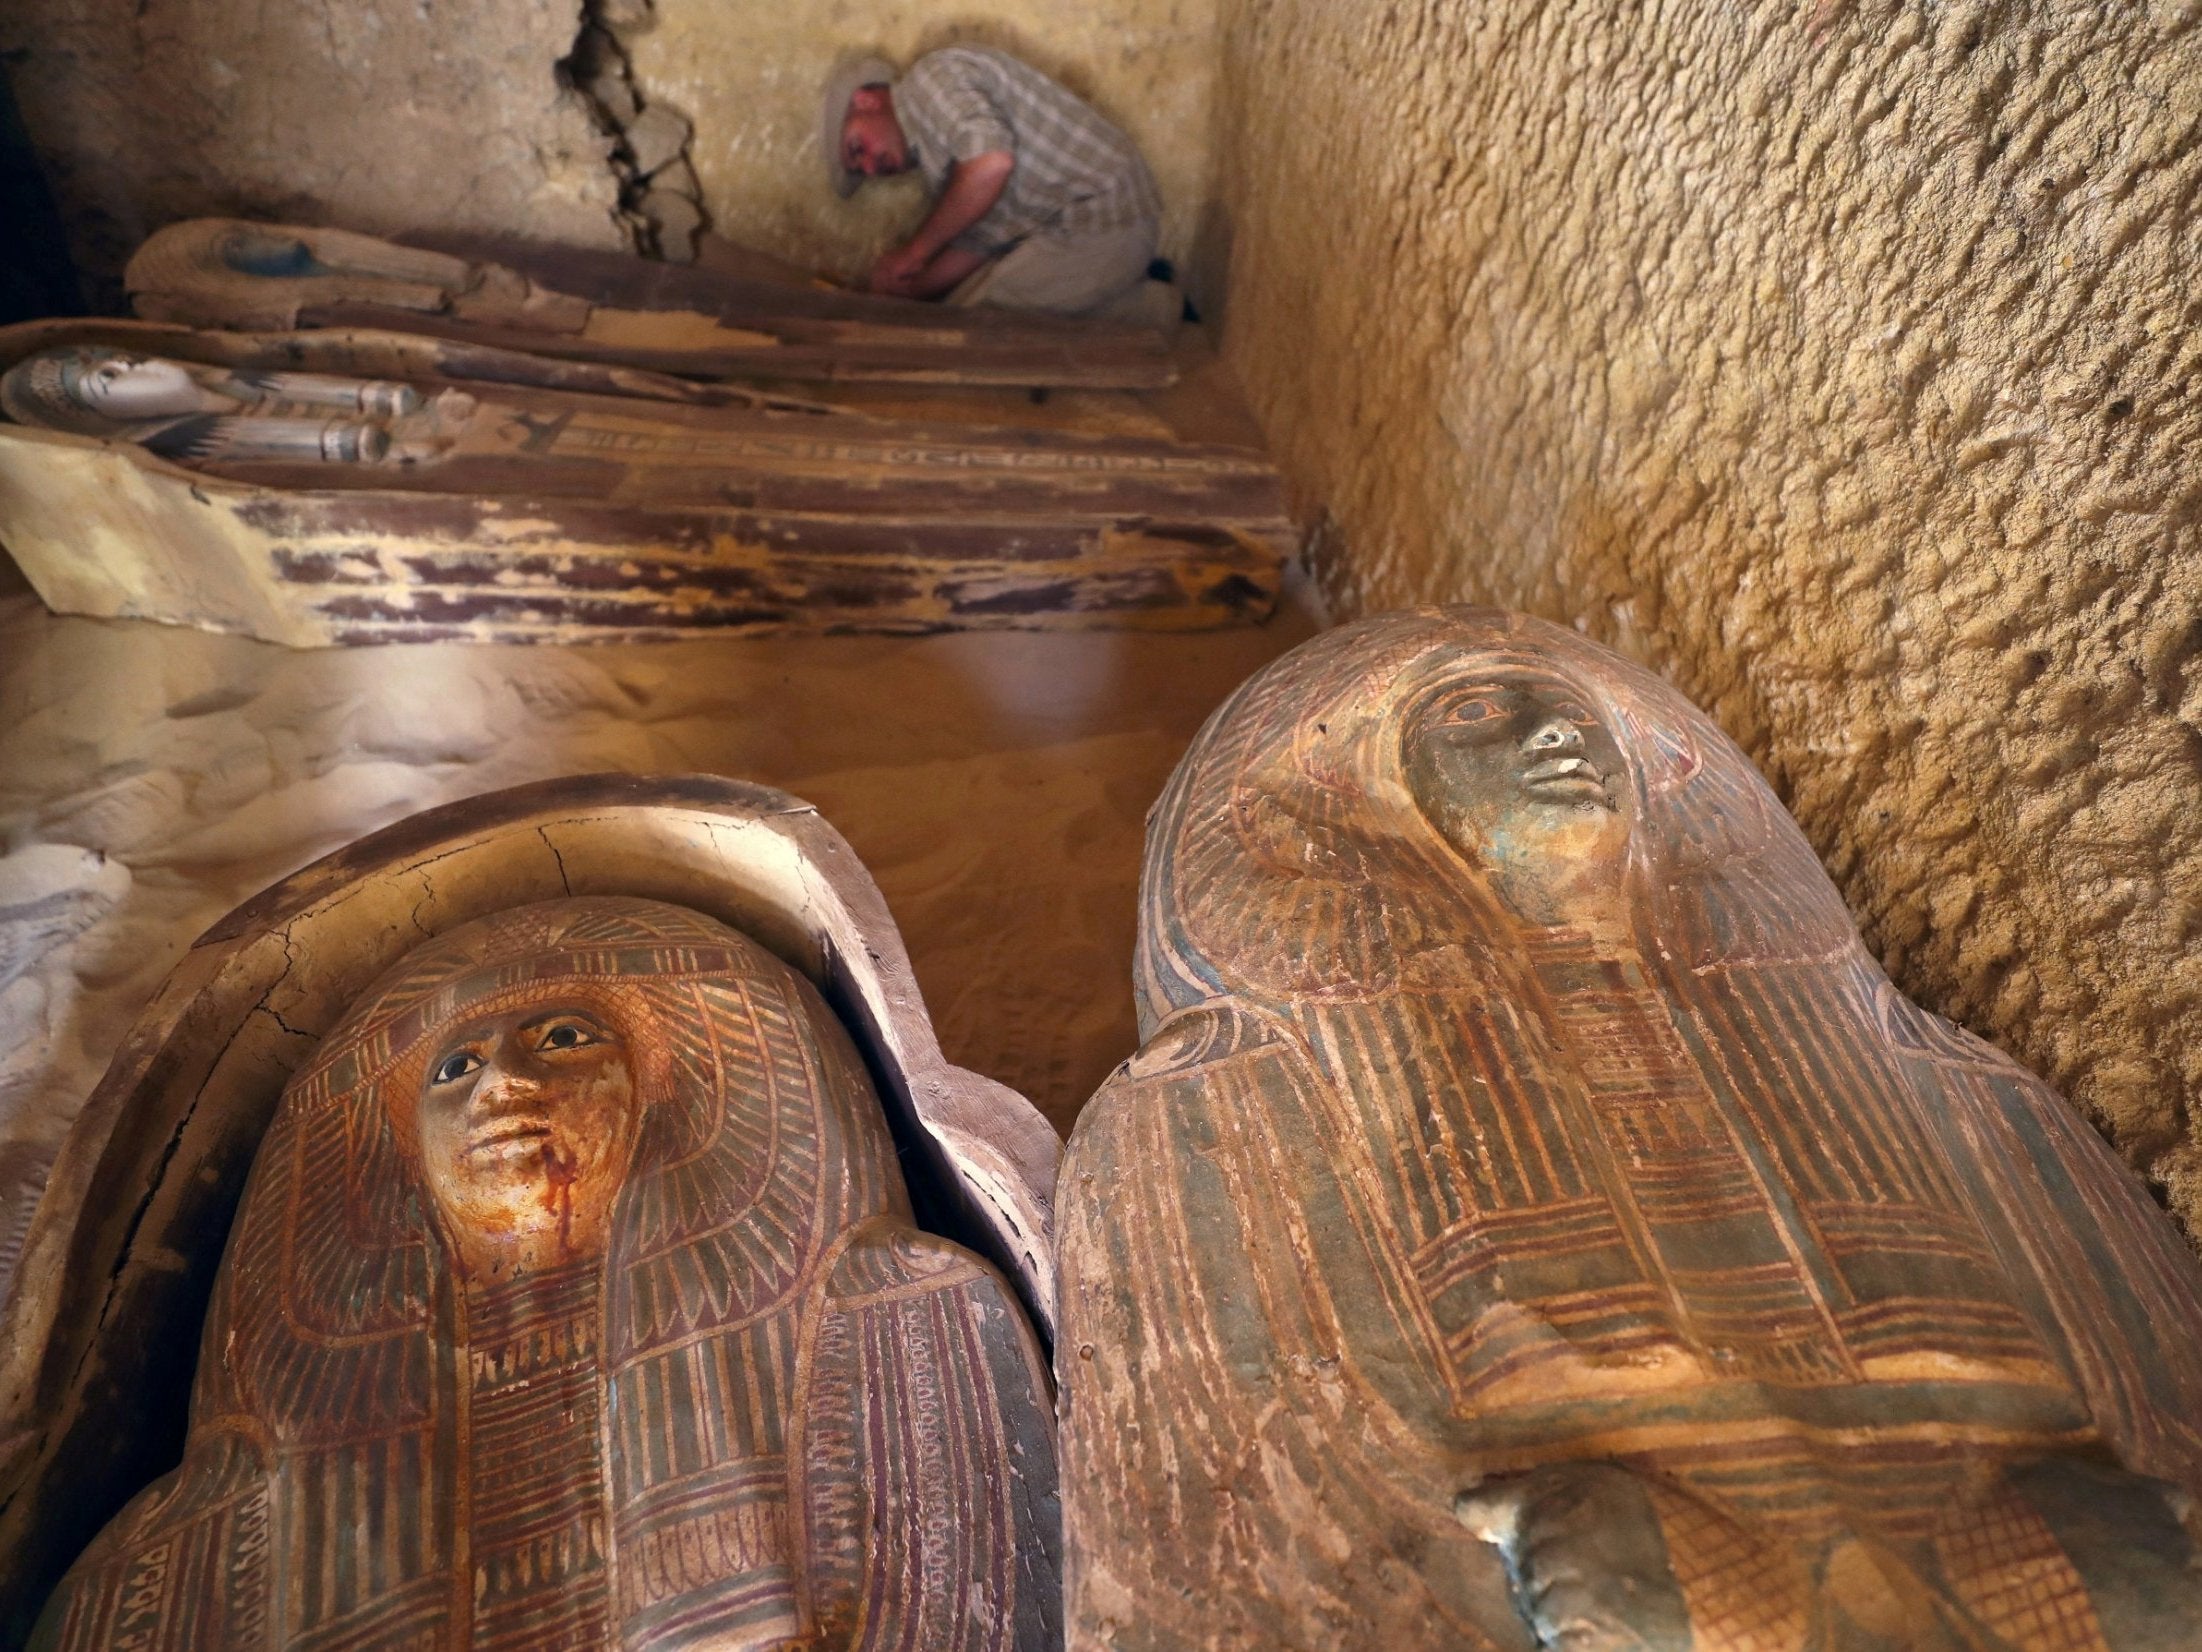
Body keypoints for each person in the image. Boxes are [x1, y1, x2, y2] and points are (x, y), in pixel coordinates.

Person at [821, 45, 1172, 322]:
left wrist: (914, 252)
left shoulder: (927, 82)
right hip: (1065, 229)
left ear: (865, 100)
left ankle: (1150, 310)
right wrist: (910, 291)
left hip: (1106, 218)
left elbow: (991, 163)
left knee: (985, 322)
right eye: (859, 168)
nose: (869, 167)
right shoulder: (935, 157)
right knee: (958, 310)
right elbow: (980, 242)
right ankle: (1128, 295)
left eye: (857, 148)